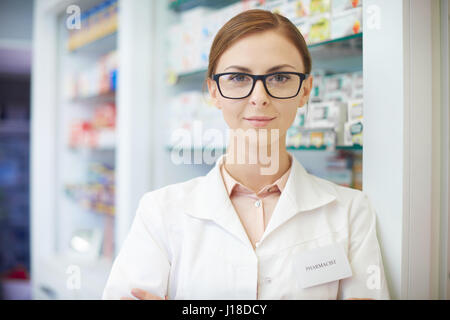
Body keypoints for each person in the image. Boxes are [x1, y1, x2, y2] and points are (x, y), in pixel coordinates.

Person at [102, 9, 390, 300]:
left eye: (279, 77)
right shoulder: (161, 212)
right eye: (238, 77)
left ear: (305, 90)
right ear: (214, 91)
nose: (259, 96)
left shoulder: (351, 211)